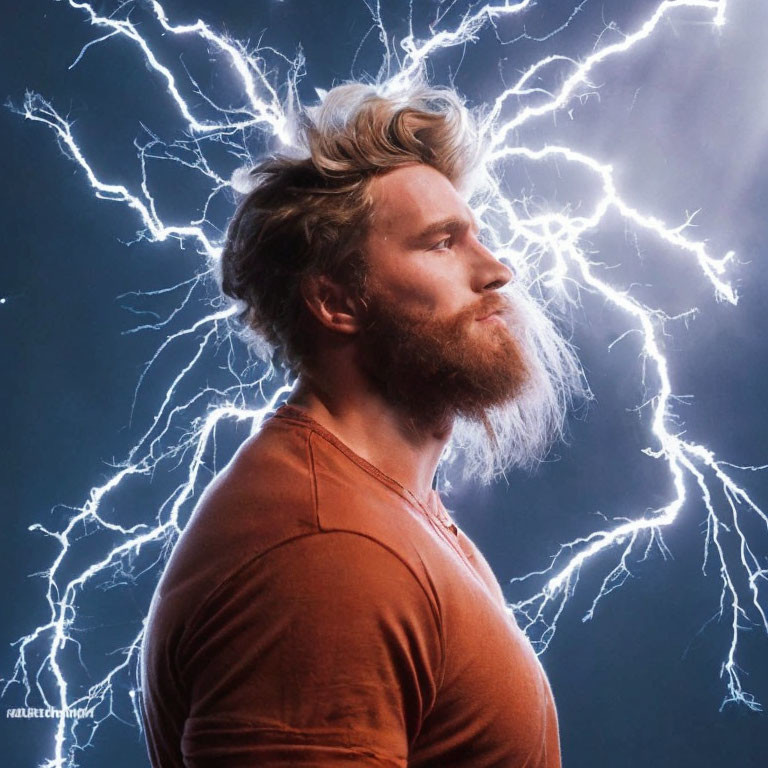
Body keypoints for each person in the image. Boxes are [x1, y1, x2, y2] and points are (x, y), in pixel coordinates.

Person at [140, 80, 583, 767]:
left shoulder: (392, 514)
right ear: (337, 301)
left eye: (478, 236)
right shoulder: (328, 554)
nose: (496, 269)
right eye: (441, 243)